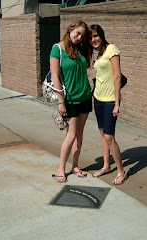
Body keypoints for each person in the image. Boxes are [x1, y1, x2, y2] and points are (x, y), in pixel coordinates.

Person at [51, 20, 92, 183]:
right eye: (77, 33)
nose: (79, 37)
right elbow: (55, 77)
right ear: (70, 30)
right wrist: (61, 101)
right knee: (71, 135)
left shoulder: (80, 49)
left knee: (79, 135)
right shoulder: (57, 49)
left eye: (82, 35)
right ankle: (61, 169)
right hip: (70, 99)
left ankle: (75, 166)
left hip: (85, 96)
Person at [89, 24, 126, 185]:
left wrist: (117, 103)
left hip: (110, 100)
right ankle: (106, 166)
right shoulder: (99, 54)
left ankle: (121, 171)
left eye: (96, 36)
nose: (93, 40)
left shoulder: (111, 49)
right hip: (98, 98)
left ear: (102, 35)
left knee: (110, 137)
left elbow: (117, 76)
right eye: (90, 38)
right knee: (103, 134)